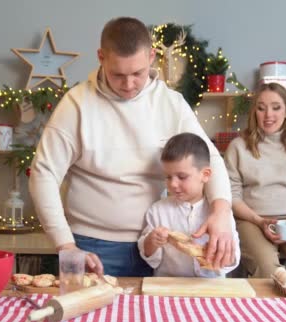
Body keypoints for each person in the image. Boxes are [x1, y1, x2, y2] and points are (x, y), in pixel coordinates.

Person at [29, 17, 235, 277]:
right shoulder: (76, 104)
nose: (128, 85)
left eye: (137, 73)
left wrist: (221, 212)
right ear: (101, 57)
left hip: (161, 244)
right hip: (91, 246)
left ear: (151, 56)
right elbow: (44, 173)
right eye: (118, 74)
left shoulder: (171, 104)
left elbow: (210, 160)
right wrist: (66, 245)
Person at [224, 82, 286, 279]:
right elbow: (231, 196)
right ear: (255, 112)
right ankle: (270, 310)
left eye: (276, 107)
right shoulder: (238, 147)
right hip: (252, 221)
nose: (268, 115)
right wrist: (259, 221)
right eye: (261, 108)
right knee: (268, 270)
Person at [138, 133, 240, 277]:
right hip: (168, 288)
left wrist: (218, 253)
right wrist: (152, 241)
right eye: (168, 177)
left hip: (210, 288)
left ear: (205, 174)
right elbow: (150, 258)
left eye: (182, 177)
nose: (173, 184)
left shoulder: (221, 215)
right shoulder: (157, 211)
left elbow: (232, 260)